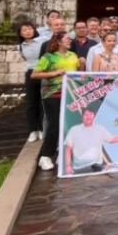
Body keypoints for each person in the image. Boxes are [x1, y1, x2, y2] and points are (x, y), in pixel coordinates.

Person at [30, 31, 79, 171]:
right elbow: (34, 74)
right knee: (54, 124)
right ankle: (45, 156)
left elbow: (77, 74)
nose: (70, 40)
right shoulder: (48, 57)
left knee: (69, 125)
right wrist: (54, 73)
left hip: (70, 94)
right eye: (67, 38)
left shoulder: (73, 56)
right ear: (58, 41)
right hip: (52, 94)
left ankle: (63, 153)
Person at [64, 108, 118, 174]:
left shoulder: (99, 128)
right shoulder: (74, 130)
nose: (88, 117)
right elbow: (68, 149)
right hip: (80, 167)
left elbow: (112, 139)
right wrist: (68, 166)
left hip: (96, 166)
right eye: (86, 114)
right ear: (82, 117)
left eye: (91, 114)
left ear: (94, 116)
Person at [16, 21, 47, 143]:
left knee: (43, 102)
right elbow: (25, 58)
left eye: (29, 29)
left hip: (43, 72)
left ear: (34, 30)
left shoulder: (43, 40)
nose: (28, 32)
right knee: (31, 103)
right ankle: (33, 130)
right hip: (31, 73)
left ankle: (42, 128)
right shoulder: (20, 46)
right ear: (21, 33)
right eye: (24, 30)